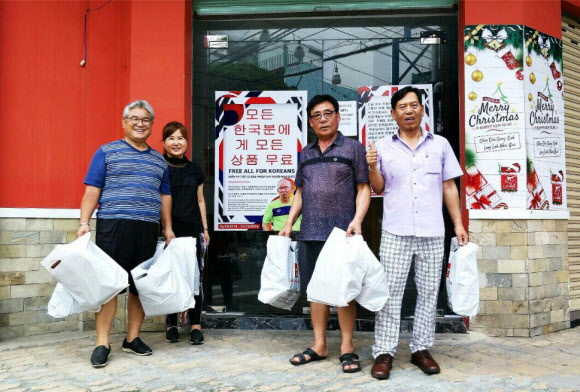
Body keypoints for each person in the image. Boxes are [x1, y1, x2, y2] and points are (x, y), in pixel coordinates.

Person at [366, 86, 469, 380]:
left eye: (414, 105)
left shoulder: (440, 145)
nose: (408, 111)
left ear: (423, 110)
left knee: (428, 294)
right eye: (402, 107)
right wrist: (373, 166)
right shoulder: (383, 146)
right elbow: (378, 187)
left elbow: (449, 187)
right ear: (393, 114)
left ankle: (420, 349)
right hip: (395, 232)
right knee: (390, 294)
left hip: (433, 232)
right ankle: (384, 352)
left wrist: (459, 225)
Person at [77, 100, 175, 368]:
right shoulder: (106, 152)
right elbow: (92, 189)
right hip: (113, 225)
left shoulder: (158, 160)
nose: (140, 124)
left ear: (152, 125)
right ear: (124, 122)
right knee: (108, 285)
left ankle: (132, 338)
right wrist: (84, 221)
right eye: (134, 119)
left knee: (139, 287)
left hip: (147, 228)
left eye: (145, 120)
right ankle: (102, 342)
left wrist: (167, 227)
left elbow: (165, 195)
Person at [280, 94, 371, 373]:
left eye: (327, 113)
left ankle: (347, 346)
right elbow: (300, 193)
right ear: (310, 121)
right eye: (317, 115)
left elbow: (364, 188)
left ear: (338, 116)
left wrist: (357, 220)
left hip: (342, 234)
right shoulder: (306, 153)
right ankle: (319, 344)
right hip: (309, 233)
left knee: (346, 291)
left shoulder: (353, 148)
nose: (322, 119)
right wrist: (288, 223)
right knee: (316, 292)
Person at [161, 121, 210, 345]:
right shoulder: (159, 167)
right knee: (171, 276)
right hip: (168, 231)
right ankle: (171, 323)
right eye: (171, 138)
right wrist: (165, 228)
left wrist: (205, 229)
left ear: (187, 142)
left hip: (192, 230)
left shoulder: (194, 170)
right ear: (164, 143)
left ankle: (195, 324)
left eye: (180, 138)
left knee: (195, 277)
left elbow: (200, 200)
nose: (176, 142)